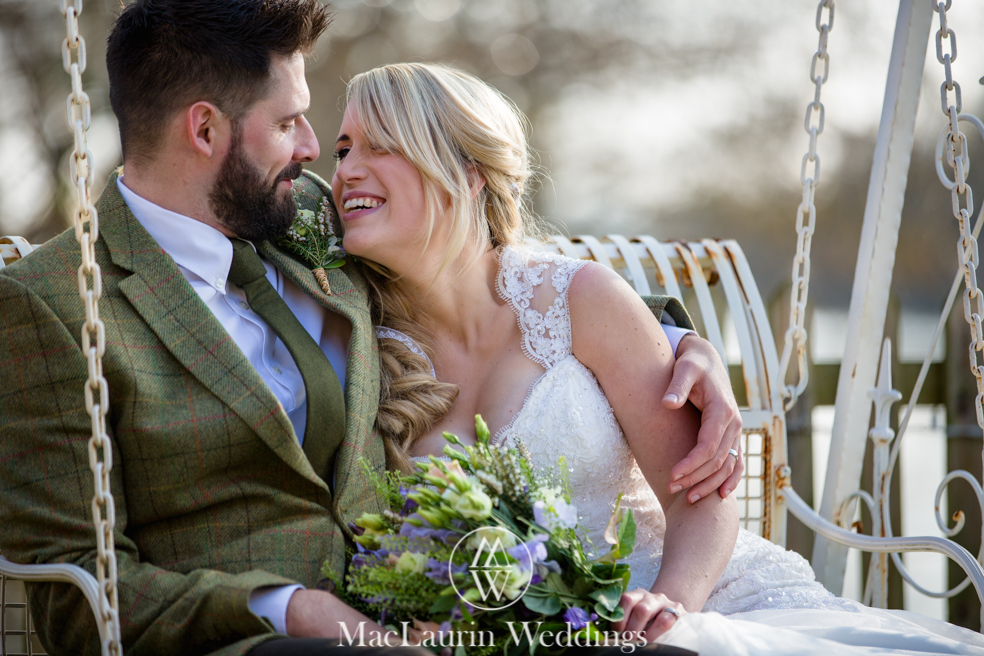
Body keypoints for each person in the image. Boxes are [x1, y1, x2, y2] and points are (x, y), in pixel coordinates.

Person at [0, 2, 739, 655]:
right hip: (260, 641)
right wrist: (292, 609)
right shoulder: (54, 304)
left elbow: (483, 270)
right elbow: (77, 593)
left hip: (455, 620)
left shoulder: (304, 219)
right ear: (204, 129)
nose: (318, 153)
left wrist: (676, 346)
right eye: (289, 122)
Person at [330, 62, 984, 656]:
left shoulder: (578, 300)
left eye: (380, 146)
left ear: (468, 174)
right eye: (343, 149)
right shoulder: (349, 337)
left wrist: (672, 608)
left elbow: (697, 494)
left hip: (691, 599)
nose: (345, 171)